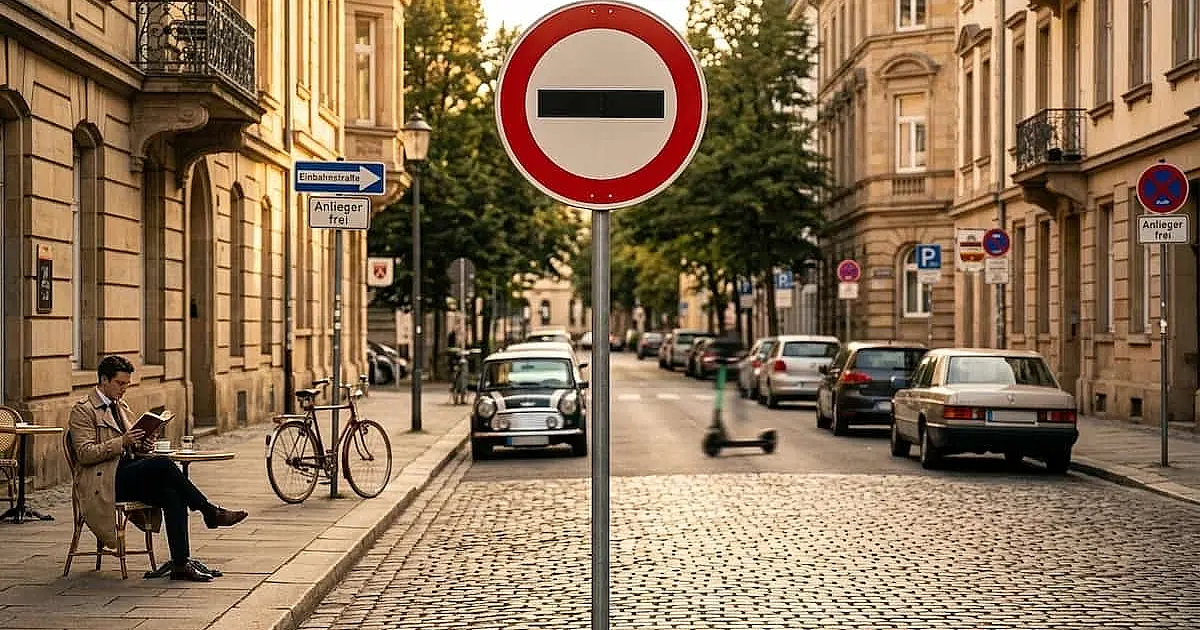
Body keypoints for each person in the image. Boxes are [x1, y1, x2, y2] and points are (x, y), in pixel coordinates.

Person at [68, 355, 248, 582]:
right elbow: (84, 454)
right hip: (103, 480)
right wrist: (122, 442)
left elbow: (132, 447)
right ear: (104, 380)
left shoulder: (120, 406)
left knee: (173, 493)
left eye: (126, 384)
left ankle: (181, 564)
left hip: (127, 472)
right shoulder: (83, 410)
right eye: (120, 384)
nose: (124, 389)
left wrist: (144, 443)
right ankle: (209, 511)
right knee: (163, 464)